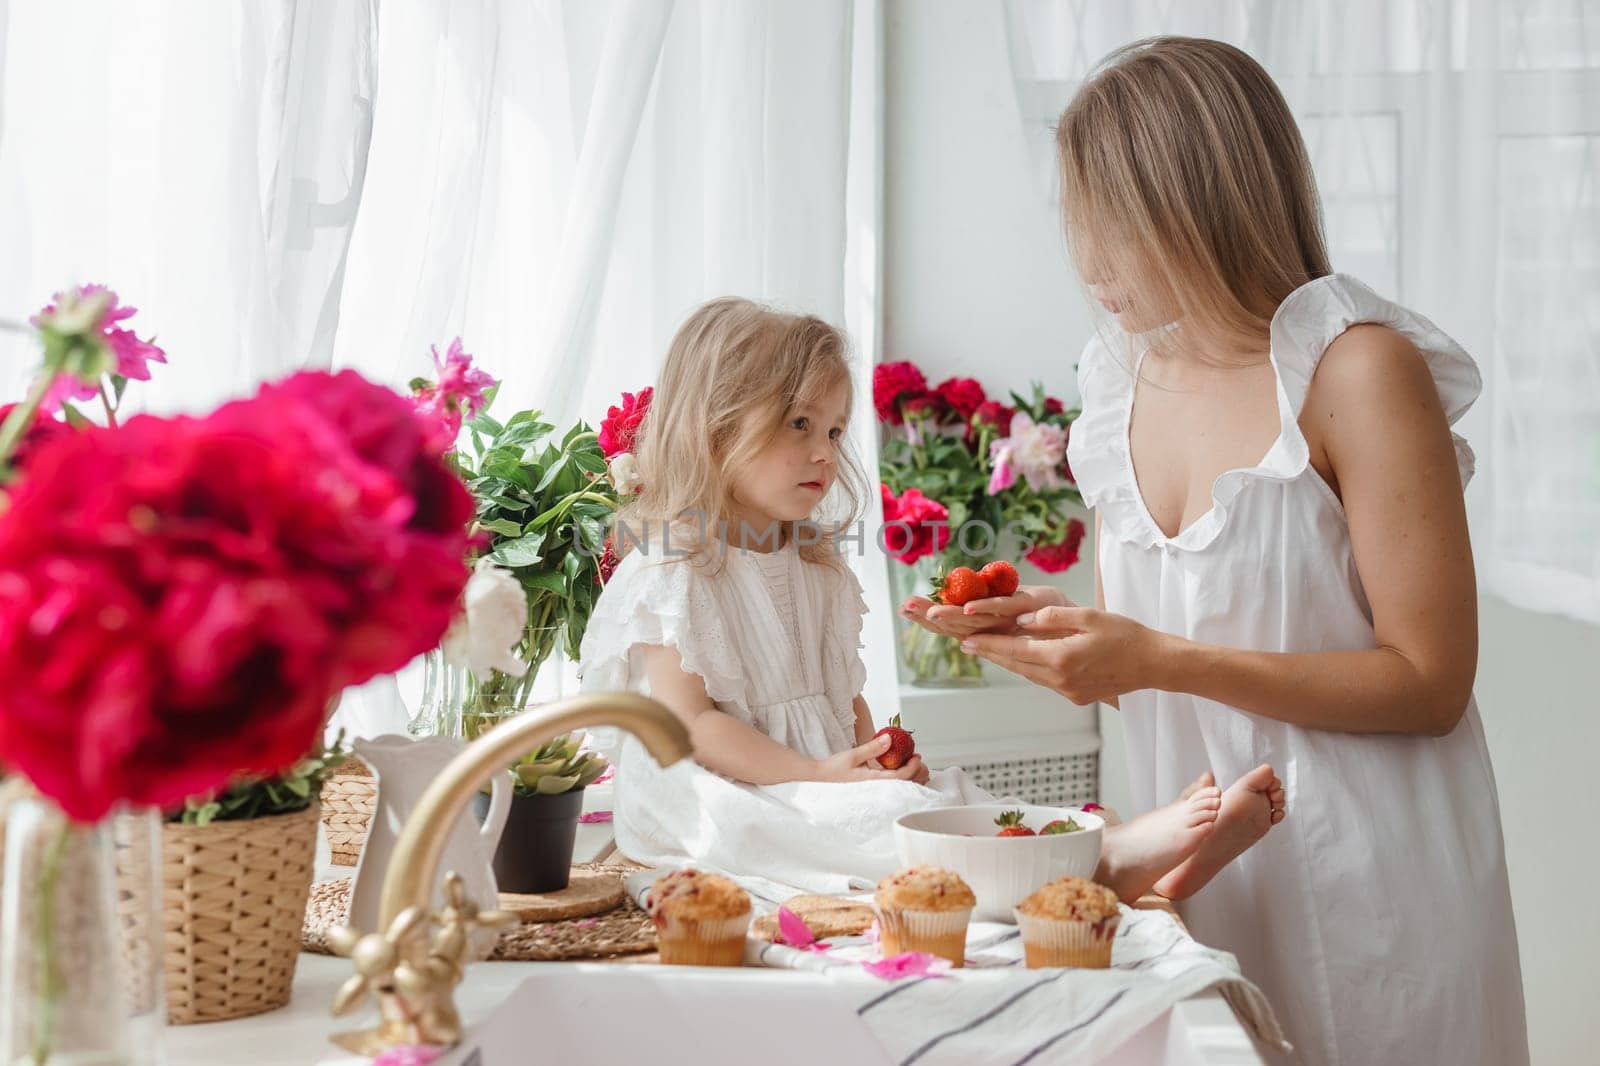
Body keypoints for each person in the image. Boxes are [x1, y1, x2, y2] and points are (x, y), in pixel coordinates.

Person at [903, 37, 1526, 1065]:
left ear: (1195, 207)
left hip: (1373, 889)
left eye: (1114, 229)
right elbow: (1146, 660)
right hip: (1198, 874)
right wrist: (1053, 644)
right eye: (1080, 228)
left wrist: (1150, 659)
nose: (1090, 267)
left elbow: (1429, 682)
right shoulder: (1121, 382)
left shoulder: (1356, 369)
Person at [579, 296, 1283, 906]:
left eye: (833, 430)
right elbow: (692, 730)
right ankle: (1106, 862)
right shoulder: (674, 566)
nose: (826, 452)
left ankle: (1088, 845)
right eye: (799, 425)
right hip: (718, 792)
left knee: (940, 798)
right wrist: (823, 775)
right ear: (717, 425)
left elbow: (838, 701)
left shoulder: (816, 570)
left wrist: (870, 756)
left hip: (811, 778)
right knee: (861, 828)